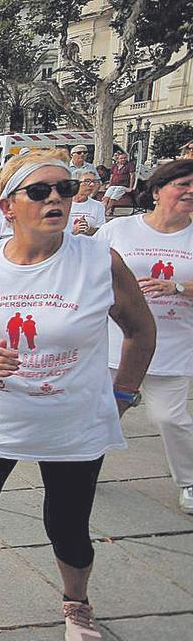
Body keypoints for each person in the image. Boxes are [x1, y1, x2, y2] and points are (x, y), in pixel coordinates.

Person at [0, 149, 156, 641]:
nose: (57, 199)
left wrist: (121, 396)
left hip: (73, 423)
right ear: (7, 206)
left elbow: (140, 332)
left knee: (68, 524)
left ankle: (77, 602)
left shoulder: (98, 260)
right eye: (41, 191)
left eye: (65, 190)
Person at [95, 159, 193, 513]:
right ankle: (83, 472)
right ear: (156, 191)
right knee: (102, 414)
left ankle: (189, 481)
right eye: (182, 184)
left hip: (173, 344)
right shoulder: (119, 230)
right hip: (115, 343)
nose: (190, 191)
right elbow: (89, 270)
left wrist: (178, 286)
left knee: (170, 417)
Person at [69, 171, 107, 236]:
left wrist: (88, 229)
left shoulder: (98, 206)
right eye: (87, 181)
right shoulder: (63, 204)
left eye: (94, 182)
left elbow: (101, 231)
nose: (92, 185)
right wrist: (73, 230)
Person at [104, 150, 139, 214]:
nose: (123, 159)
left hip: (122, 186)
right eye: (121, 158)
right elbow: (111, 176)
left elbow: (132, 176)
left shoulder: (129, 165)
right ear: (118, 159)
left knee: (112, 198)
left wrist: (130, 187)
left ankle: (105, 211)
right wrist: (109, 184)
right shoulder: (114, 166)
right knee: (106, 198)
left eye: (125, 158)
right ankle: (102, 211)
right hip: (113, 185)